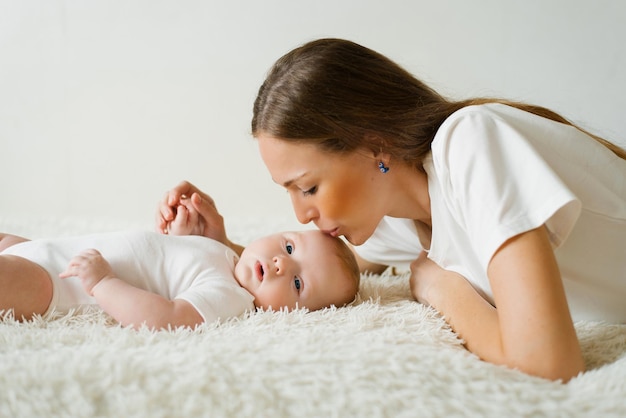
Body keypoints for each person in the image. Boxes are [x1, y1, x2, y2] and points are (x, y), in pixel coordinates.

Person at [156, 38, 626, 381]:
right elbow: (316, 272)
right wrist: (219, 247)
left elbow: (548, 364)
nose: (301, 216)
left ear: (375, 147)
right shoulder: (395, 218)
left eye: (309, 187)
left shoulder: (470, 143)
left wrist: (439, 287)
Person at [1, 197, 360, 330]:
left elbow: (167, 317)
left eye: (298, 284)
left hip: (60, 285)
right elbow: (170, 264)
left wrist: (103, 283)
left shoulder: (230, 297)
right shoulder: (227, 258)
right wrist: (182, 236)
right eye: (288, 246)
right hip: (47, 250)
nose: (282, 264)